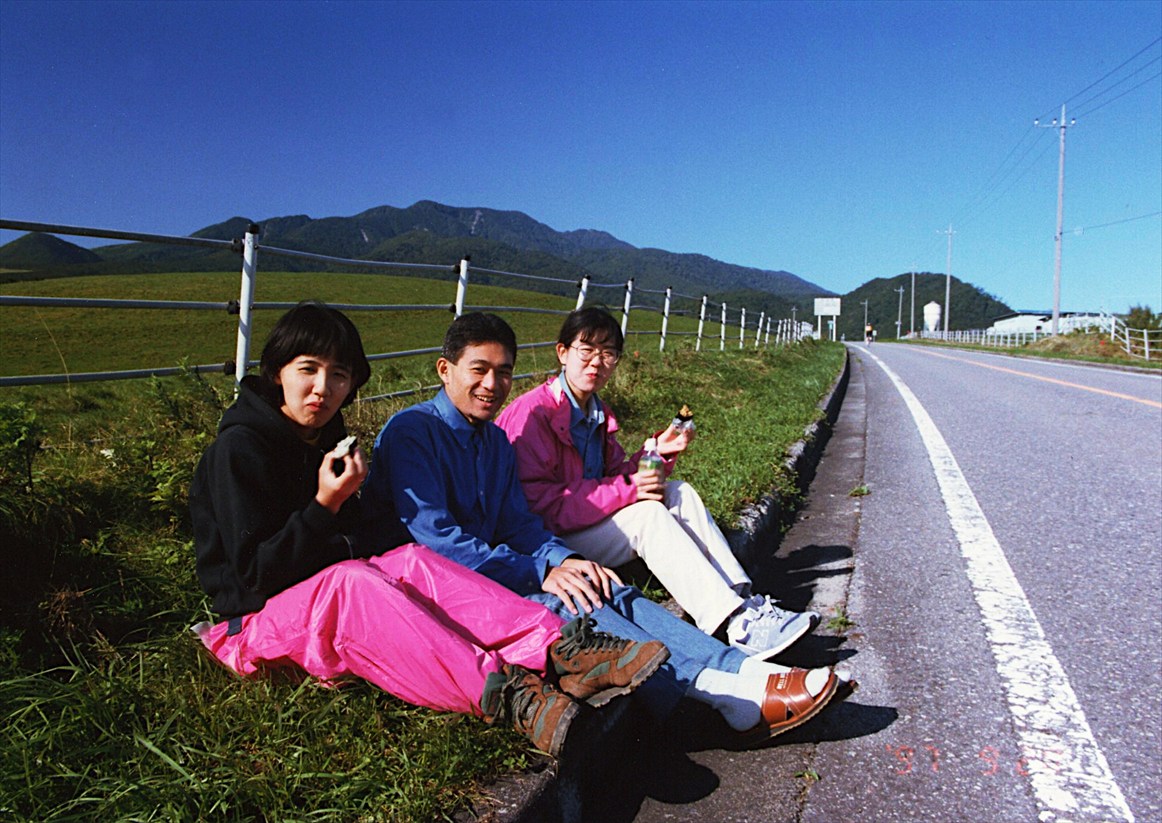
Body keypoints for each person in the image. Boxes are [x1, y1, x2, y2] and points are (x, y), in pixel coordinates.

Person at [189, 301, 669, 758]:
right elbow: (256, 576)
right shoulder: (240, 450)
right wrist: (325, 504)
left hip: (318, 595)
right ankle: (507, 693)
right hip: (251, 628)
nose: (322, 388)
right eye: (308, 370)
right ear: (278, 372)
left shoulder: (324, 440)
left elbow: (357, 542)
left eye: (338, 375)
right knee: (355, 581)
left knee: (412, 559)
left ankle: (560, 648)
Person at [361, 312, 846, 745]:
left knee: (599, 583)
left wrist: (565, 559)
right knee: (570, 603)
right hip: (425, 588)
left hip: (487, 568)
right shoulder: (413, 432)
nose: (493, 384)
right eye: (479, 370)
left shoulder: (494, 442)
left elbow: (519, 523)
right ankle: (723, 694)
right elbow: (438, 543)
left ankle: (740, 668)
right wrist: (539, 571)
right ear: (444, 370)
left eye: (504, 372)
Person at [496, 307, 818, 659]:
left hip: (584, 525)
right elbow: (540, 506)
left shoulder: (595, 412)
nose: (596, 363)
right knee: (647, 516)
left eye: (608, 354)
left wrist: (657, 452)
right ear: (562, 353)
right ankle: (732, 624)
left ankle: (744, 602)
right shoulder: (533, 413)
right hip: (549, 544)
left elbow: (616, 475)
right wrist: (631, 488)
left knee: (680, 492)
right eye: (586, 351)